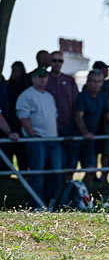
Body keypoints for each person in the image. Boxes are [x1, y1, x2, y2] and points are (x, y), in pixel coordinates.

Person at [66, 70, 109, 187]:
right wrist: (85, 132)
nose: (96, 84)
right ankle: (66, 197)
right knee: (70, 170)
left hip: (89, 140)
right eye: (93, 81)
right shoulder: (81, 97)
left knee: (91, 170)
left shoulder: (102, 97)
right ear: (88, 82)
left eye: (99, 81)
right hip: (75, 138)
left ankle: (83, 197)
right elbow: (78, 117)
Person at [16, 68, 61, 206]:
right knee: (37, 175)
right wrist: (33, 136)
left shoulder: (49, 96)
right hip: (37, 141)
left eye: (45, 77)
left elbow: (54, 118)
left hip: (53, 140)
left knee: (56, 173)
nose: (43, 79)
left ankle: (53, 203)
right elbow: (23, 117)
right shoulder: (26, 95)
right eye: (39, 77)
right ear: (33, 78)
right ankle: (36, 205)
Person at [46, 51, 79, 138]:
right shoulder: (44, 79)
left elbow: (76, 102)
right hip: (49, 125)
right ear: (50, 62)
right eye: (54, 60)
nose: (57, 63)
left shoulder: (70, 80)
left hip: (67, 124)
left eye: (60, 61)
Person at [4, 61, 30, 171]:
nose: (14, 73)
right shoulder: (7, 86)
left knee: (22, 154)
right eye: (13, 71)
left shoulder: (26, 88)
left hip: (22, 123)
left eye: (17, 71)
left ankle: (24, 175)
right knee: (8, 152)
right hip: (9, 122)